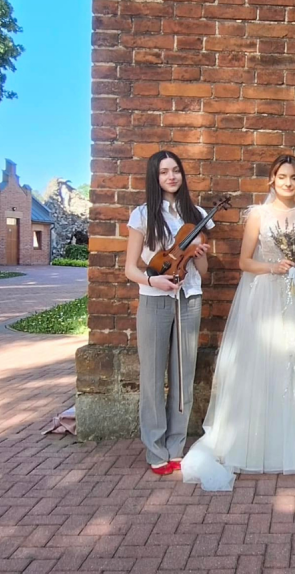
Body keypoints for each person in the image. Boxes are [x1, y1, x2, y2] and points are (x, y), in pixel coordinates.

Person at [181, 155, 295, 490]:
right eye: (282, 177)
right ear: (272, 180)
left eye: (294, 178)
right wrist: (272, 268)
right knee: (268, 365)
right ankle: (262, 443)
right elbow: (244, 262)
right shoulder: (258, 215)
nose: (288, 183)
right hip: (268, 297)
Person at [125, 150, 213, 476]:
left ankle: (176, 446)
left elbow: (203, 270)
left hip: (189, 299)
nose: (171, 176)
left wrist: (199, 253)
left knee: (183, 375)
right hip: (154, 299)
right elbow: (130, 268)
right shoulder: (143, 215)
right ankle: (155, 448)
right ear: (155, 177)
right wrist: (154, 280)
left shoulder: (197, 214)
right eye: (164, 172)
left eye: (175, 170)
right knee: (152, 376)